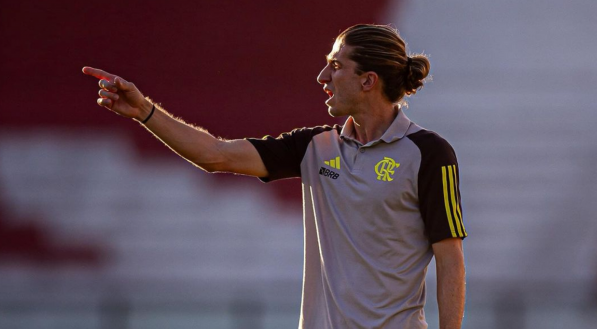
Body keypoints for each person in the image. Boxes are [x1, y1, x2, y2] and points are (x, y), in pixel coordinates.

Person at [83, 24, 467, 329]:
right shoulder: (314, 147)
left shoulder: (429, 154)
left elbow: (450, 259)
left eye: (335, 65)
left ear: (368, 80)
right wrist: (145, 111)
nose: (322, 76)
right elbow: (213, 155)